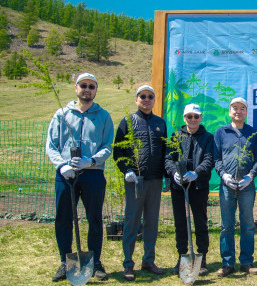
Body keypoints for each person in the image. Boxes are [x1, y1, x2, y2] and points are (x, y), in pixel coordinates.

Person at [46, 73, 114, 282]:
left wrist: (91, 161)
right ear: (76, 88)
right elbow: (51, 145)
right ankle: (65, 262)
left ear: (96, 90)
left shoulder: (103, 116)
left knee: (94, 219)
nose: (87, 89)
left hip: (93, 175)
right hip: (66, 175)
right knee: (64, 219)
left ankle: (95, 262)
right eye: (83, 85)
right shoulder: (62, 114)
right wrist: (62, 165)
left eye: (91, 86)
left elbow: (107, 146)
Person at [113, 85, 167, 281]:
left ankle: (148, 260)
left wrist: (166, 176)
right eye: (142, 96)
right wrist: (127, 169)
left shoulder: (160, 123)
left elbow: (164, 152)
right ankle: (128, 263)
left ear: (154, 100)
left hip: (154, 180)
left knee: (151, 222)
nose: (146, 99)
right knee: (132, 222)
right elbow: (118, 152)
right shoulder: (127, 122)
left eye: (150, 97)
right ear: (136, 99)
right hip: (135, 180)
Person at [214, 97, 257, 277]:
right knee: (227, 225)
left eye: (242, 108)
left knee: (248, 224)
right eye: (235, 108)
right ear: (229, 111)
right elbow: (217, 158)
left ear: (246, 112)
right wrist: (224, 175)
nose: (238, 111)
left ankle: (247, 262)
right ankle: (227, 263)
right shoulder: (221, 132)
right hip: (227, 186)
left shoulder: (253, 133)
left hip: (246, 187)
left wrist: (251, 176)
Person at [165, 103, 214, 276]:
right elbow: (168, 159)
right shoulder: (175, 136)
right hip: (179, 188)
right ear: (184, 118)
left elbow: (209, 160)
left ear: (201, 118)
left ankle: (202, 258)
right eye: (189, 116)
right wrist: (173, 173)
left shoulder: (208, 138)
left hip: (199, 187)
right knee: (181, 223)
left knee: (200, 221)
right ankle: (182, 256)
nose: (192, 119)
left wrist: (197, 173)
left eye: (196, 116)